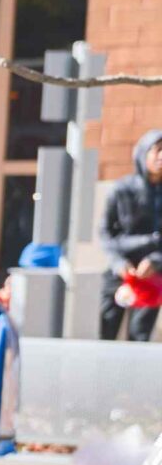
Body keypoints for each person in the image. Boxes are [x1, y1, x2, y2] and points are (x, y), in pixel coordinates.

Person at [97, 128, 162, 342]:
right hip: (120, 272)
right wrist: (118, 263)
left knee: (139, 335)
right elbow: (105, 232)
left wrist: (155, 261)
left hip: (151, 275)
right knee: (107, 331)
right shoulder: (122, 189)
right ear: (144, 154)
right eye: (158, 150)